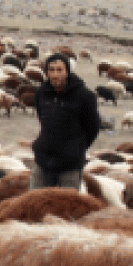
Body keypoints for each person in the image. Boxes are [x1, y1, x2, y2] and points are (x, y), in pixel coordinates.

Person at [30, 53, 101, 190]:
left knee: (66, 201)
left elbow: (93, 127)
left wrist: (76, 148)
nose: (55, 74)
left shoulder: (84, 96)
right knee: (34, 198)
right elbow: (43, 120)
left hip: (70, 163)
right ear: (46, 72)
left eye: (59, 70)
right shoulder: (41, 93)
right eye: (51, 70)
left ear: (67, 71)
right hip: (43, 158)